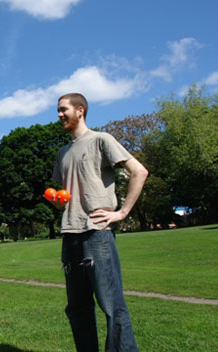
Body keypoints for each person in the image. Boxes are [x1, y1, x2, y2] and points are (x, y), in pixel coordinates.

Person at [47, 93, 148, 352]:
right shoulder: (62, 153)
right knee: (78, 308)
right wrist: (59, 202)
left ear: (80, 110)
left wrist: (122, 212)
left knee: (112, 305)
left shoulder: (101, 140)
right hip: (70, 233)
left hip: (97, 233)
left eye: (63, 110)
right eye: (58, 110)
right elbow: (68, 192)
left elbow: (139, 171)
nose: (59, 115)